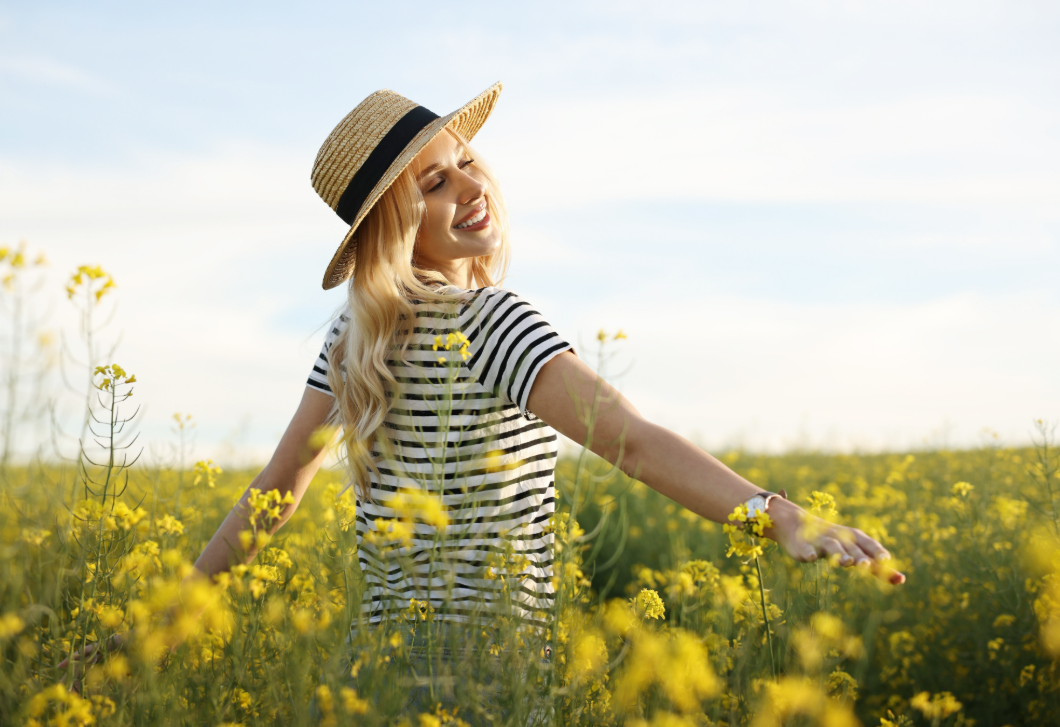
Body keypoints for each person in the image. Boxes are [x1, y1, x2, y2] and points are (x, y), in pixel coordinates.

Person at [63, 82, 904, 714]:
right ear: (395, 226)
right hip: (487, 675)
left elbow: (271, 498)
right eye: (430, 185)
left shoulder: (351, 342)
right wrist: (777, 516)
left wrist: (154, 626)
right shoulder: (492, 323)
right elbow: (632, 442)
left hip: (379, 677)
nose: (467, 185)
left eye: (465, 161)